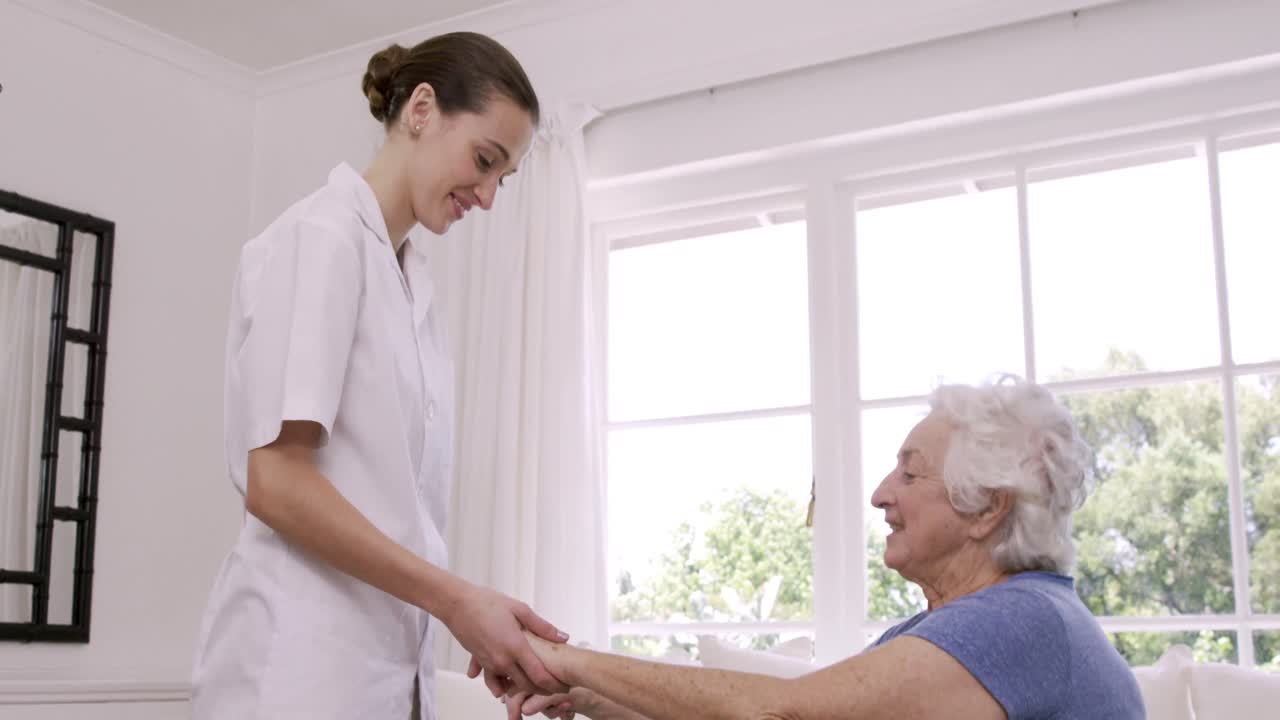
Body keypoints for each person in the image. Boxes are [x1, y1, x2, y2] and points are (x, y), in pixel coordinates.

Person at [190, 32, 569, 720]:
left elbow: (389, 506)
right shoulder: (323, 238)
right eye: (484, 161)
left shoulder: (409, 282)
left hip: (377, 679)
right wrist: (457, 601)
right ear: (421, 109)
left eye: (502, 180)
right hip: (293, 674)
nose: (486, 196)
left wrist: (468, 611)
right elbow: (276, 481)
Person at [507, 378, 1145, 720]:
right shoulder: (956, 627)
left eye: (910, 473)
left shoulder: (1021, 623)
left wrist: (572, 661)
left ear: (987, 509)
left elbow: (780, 714)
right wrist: (590, 698)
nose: (878, 494)